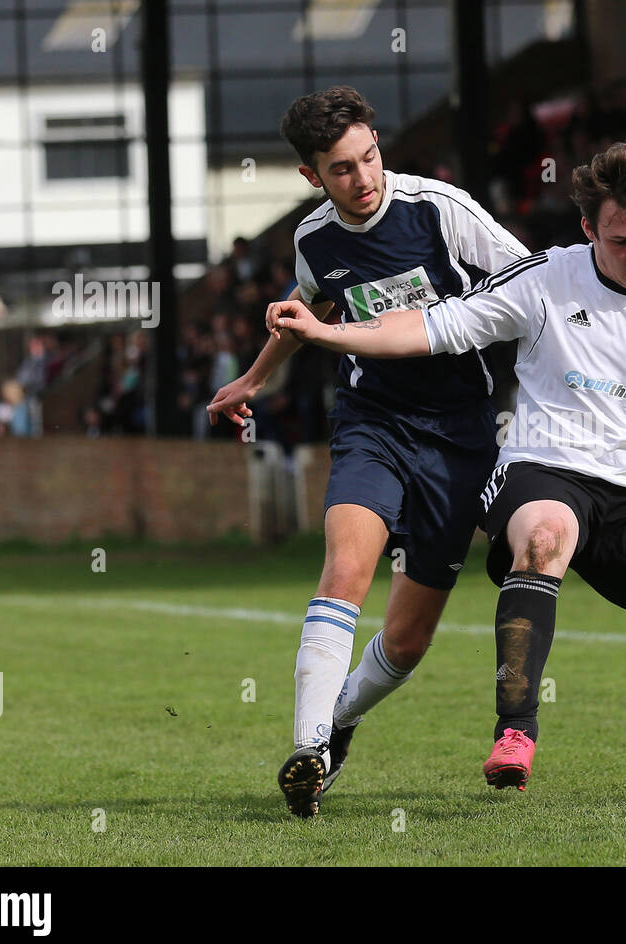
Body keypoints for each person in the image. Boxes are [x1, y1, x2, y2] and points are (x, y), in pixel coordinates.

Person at [268, 139, 626, 801]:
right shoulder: (546, 277)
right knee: (544, 535)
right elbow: (436, 327)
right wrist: (330, 335)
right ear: (589, 229)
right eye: (619, 241)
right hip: (542, 469)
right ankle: (516, 732)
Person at [205, 86, 530, 817]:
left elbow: (532, 284)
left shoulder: (440, 209)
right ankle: (308, 749)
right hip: (372, 421)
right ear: (311, 177)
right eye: (343, 168)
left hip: (460, 436)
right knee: (345, 567)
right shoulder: (314, 238)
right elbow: (312, 309)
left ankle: (338, 724)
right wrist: (252, 379)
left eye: (370, 156)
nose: (365, 177)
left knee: (407, 642)